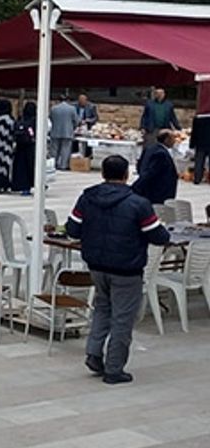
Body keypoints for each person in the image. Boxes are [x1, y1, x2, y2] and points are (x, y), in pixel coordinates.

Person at [66, 155, 171, 384]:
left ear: (102, 173)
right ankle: (114, 368)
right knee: (123, 318)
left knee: (102, 309)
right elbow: (159, 236)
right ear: (126, 175)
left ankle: (94, 353)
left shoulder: (87, 197)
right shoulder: (138, 203)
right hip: (127, 269)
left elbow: (72, 229)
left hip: (96, 266)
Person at [132, 129, 179, 205]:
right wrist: (137, 187)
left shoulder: (150, 148)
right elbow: (150, 172)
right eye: (173, 138)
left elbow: (139, 164)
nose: (174, 141)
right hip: (158, 192)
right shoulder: (161, 154)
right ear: (166, 139)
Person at [49, 94, 80, 172]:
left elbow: (51, 118)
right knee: (65, 150)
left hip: (55, 131)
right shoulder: (72, 108)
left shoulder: (53, 108)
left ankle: (53, 164)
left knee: (54, 149)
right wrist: (74, 127)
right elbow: (76, 120)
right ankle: (63, 165)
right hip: (67, 131)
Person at [75, 94, 99, 158]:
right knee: (75, 141)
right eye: (80, 101)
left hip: (87, 126)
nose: (81, 103)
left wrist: (88, 120)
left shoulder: (92, 106)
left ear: (86, 101)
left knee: (87, 143)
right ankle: (76, 156)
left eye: (83, 101)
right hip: (77, 126)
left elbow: (95, 118)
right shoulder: (75, 106)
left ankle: (88, 156)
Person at [191, 111, 210, 185]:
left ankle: (197, 179)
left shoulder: (198, 118)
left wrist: (192, 144)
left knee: (199, 162)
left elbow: (194, 132)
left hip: (200, 143)